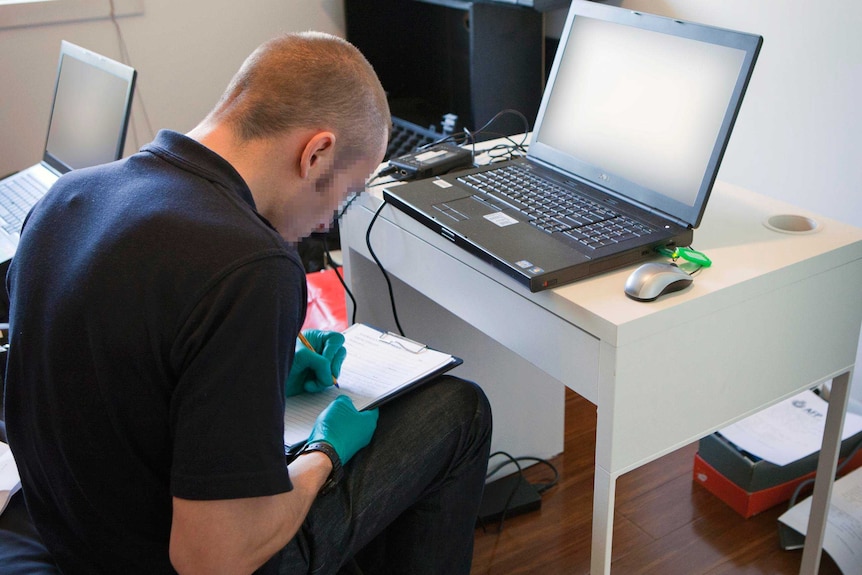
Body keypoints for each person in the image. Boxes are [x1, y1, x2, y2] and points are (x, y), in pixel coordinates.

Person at [4, 32, 492, 574]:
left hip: (78, 541)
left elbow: (121, 368)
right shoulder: (249, 266)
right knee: (457, 410)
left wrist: (268, 368)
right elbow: (212, 560)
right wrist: (324, 456)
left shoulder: (66, 198)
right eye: (345, 194)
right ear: (317, 152)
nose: (329, 222)